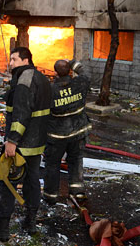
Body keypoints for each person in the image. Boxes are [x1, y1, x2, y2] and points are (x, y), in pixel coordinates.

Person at [0, 47, 52, 241]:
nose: (10, 63)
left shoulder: (24, 81)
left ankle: (2, 229)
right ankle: (30, 223)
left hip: (21, 144)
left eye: (14, 59)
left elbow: (21, 114)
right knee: (32, 181)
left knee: (7, 183)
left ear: (25, 60)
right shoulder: (42, 78)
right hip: (36, 143)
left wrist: (12, 141)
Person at [43, 59, 92, 206]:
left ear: (55, 73)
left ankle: (51, 195)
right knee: (75, 160)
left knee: (52, 164)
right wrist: (73, 63)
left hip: (57, 136)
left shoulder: (50, 90)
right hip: (78, 132)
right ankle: (77, 191)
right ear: (70, 71)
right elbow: (86, 73)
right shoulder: (80, 83)